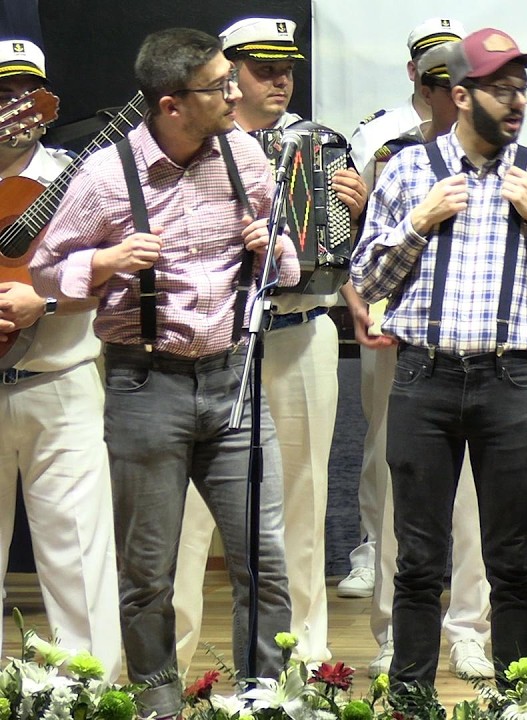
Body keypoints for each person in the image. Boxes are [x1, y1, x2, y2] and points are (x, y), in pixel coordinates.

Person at [30, 27, 297, 718]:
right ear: (173, 104)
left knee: (263, 560)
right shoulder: (105, 176)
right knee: (147, 570)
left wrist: (273, 249)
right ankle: (157, 703)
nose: (234, 94)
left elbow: (286, 266)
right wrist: (107, 263)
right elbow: (45, 270)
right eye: (219, 87)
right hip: (146, 386)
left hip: (233, 379)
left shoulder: (242, 154)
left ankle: (264, 697)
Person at [351, 27, 527, 688]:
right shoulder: (407, 171)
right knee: (419, 557)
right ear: (460, 95)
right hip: (423, 378)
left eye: (523, 89)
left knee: (513, 558)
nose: (517, 102)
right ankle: (411, 696)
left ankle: (518, 696)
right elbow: (368, 282)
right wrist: (417, 222)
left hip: (510, 379)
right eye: (500, 88)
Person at [170, 16, 367, 668]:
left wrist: (356, 213)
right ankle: (169, 659)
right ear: (228, 71)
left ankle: (304, 655)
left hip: (301, 331)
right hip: (219, 340)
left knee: (305, 497)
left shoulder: (321, 144)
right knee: (193, 514)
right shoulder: (193, 145)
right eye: (263, 66)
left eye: (287, 66)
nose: (280, 78)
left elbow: (350, 259)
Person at [346, 19, 497, 680]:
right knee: (400, 484)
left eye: (462, 83)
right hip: (400, 345)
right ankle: (393, 628)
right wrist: (357, 296)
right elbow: (362, 254)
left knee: (471, 493)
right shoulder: (393, 155)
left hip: (481, 351)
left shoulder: (503, 157)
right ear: (426, 88)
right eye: (440, 84)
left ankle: (467, 627)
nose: (451, 96)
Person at [0, 38, 121, 680]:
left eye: (25, 93)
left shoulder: (82, 177)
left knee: (79, 556)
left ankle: (92, 693)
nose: (14, 107)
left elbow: (113, 274)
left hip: (61, 380)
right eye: (0, 94)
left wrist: (42, 303)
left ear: (47, 103)